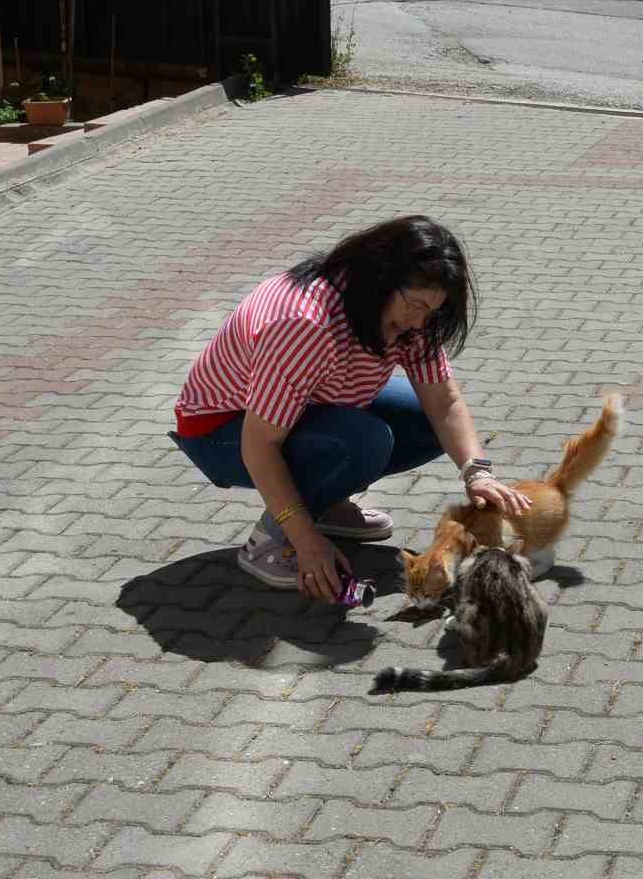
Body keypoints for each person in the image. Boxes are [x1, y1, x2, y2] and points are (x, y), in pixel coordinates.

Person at [169, 215, 530, 603]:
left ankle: (323, 503)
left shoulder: (410, 316)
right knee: (364, 441)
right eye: (415, 306)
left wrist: (478, 474)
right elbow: (259, 445)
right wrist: (306, 543)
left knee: (422, 421)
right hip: (223, 433)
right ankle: (269, 542)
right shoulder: (304, 323)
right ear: (380, 279)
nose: (419, 323)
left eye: (433, 311)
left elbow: (444, 402)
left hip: (297, 412)